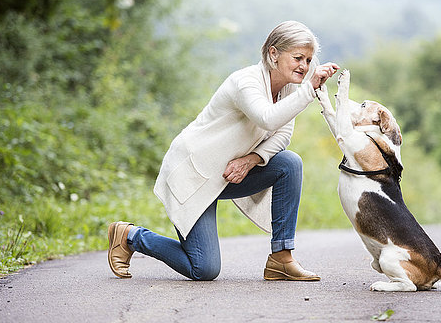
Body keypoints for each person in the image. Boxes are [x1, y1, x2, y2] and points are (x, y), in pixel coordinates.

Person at [108, 20, 339, 281]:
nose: (304, 66)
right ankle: (130, 236)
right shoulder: (246, 82)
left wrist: (252, 160)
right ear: (273, 54)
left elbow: (283, 133)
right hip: (195, 175)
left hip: (228, 174)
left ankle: (281, 258)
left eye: (308, 60)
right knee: (204, 269)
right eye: (298, 58)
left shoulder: (289, 90)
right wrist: (309, 89)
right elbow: (268, 119)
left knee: (289, 163)